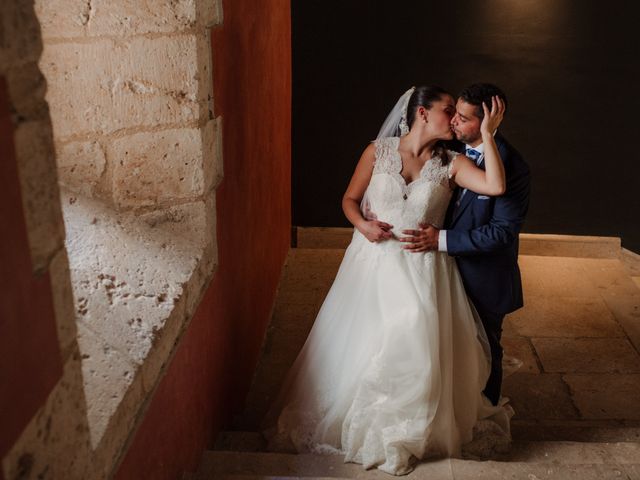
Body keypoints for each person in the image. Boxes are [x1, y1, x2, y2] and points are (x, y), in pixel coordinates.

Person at [263, 86, 513, 475]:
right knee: (365, 345)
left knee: (412, 332)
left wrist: (489, 137)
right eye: (449, 110)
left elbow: (496, 186)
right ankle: (366, 420)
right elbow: (349, 199)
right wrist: (363, 225)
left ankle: (406, 429)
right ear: (422, 114)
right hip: (372, 266)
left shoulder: (452, 164)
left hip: (423, 270)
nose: (456, 119)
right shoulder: (377, 152)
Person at [400, 83, 531, 406]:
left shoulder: (512, 166)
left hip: (482, 276)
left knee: (484, 349)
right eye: (453, 114)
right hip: (436, 272)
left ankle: (484, 418)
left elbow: (501, 233)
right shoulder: (446, 154)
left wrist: (439, 239)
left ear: (488, 121)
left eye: (463, 118)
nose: (453, 122)